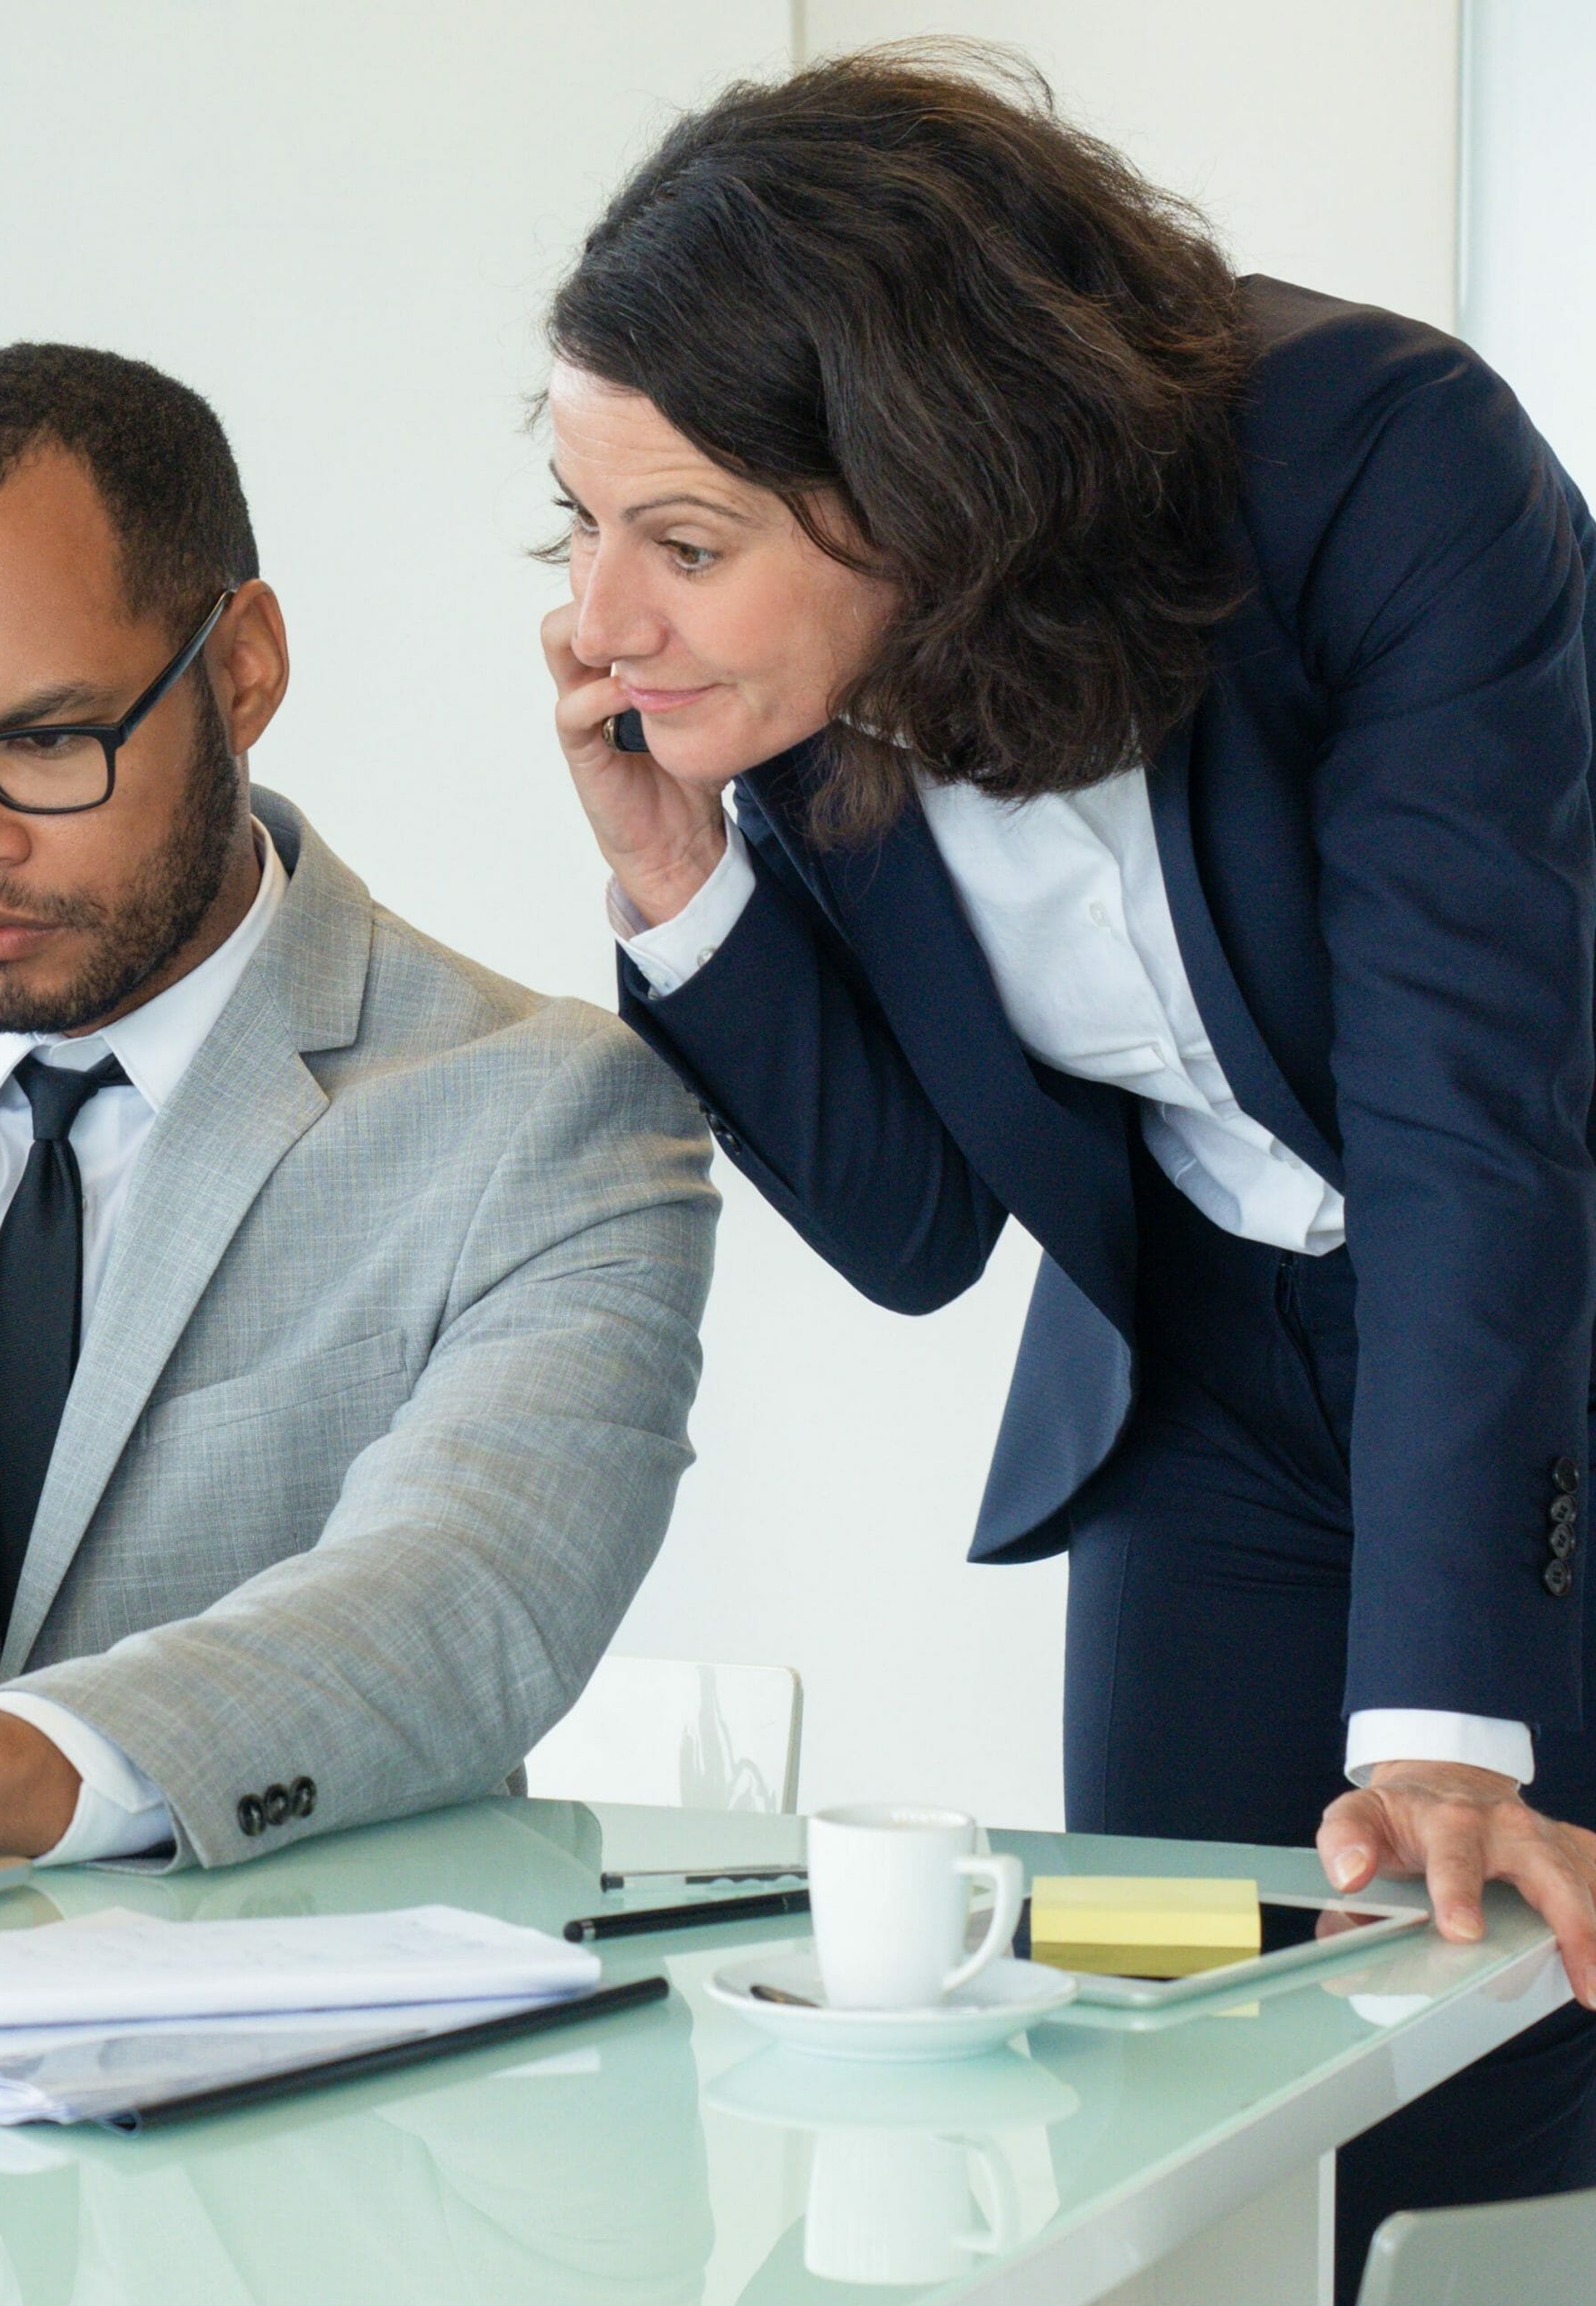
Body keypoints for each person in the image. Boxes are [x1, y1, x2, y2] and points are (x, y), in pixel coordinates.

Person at [536, 46, 1596, 2278]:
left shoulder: (1383, 465)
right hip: (1202, 1373)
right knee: (1172, 2088)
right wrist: (679, 889)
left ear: (920, 481)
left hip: (1526, 1319)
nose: (598, 618)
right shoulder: (806, 687)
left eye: (681, 539)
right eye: (580, 523)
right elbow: (925, 1231)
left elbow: (1463, 1118)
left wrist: (1435, 1722)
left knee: (1507, 2064)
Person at [0, 343, 716, 1884]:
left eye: (46, 741)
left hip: (328, 2075)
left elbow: (462, 1601)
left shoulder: (546, 1116)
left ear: (240, 671)